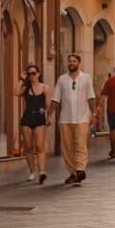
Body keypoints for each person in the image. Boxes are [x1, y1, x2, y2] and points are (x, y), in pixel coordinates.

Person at [46, 53, 97, 185]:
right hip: (65, 119)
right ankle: (73, 173)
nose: (71, 63)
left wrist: (94, 115)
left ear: (79, 63)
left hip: (82, 118)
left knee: (80, 145)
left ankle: (80, 170)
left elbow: (91, 97)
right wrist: (49, 115)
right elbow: (55, 99)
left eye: (74, 61)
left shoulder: (86, 78)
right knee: (67, 148)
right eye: (69, 61)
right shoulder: (62, 79)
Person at [16, 64, 50, 183]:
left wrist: (49, 117)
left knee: (40, 147)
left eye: (33, 73)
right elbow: (16, 92)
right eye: (29, 74)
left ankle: (42, 171)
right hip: (27, 119)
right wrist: (21, 79)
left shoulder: (45, 88)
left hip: (40, 119)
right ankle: (32, 172)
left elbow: (48, 104)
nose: (31, 76)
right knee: (29, 148)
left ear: (38, 74)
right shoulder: (26, 88)